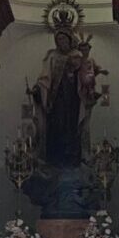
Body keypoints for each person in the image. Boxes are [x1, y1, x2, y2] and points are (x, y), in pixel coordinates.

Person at [31, 28, 84, 168]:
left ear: (70, 40)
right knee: (56, 126)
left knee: (71, 126)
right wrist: (38, 89)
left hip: (73, 99)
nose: (61, 42)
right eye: (59, 39)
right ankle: (54, 159)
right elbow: (44, 77)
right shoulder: (52, 56)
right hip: (55, 99)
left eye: (64, 39)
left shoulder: (77, 56)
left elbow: (84, 77)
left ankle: (71, 158)